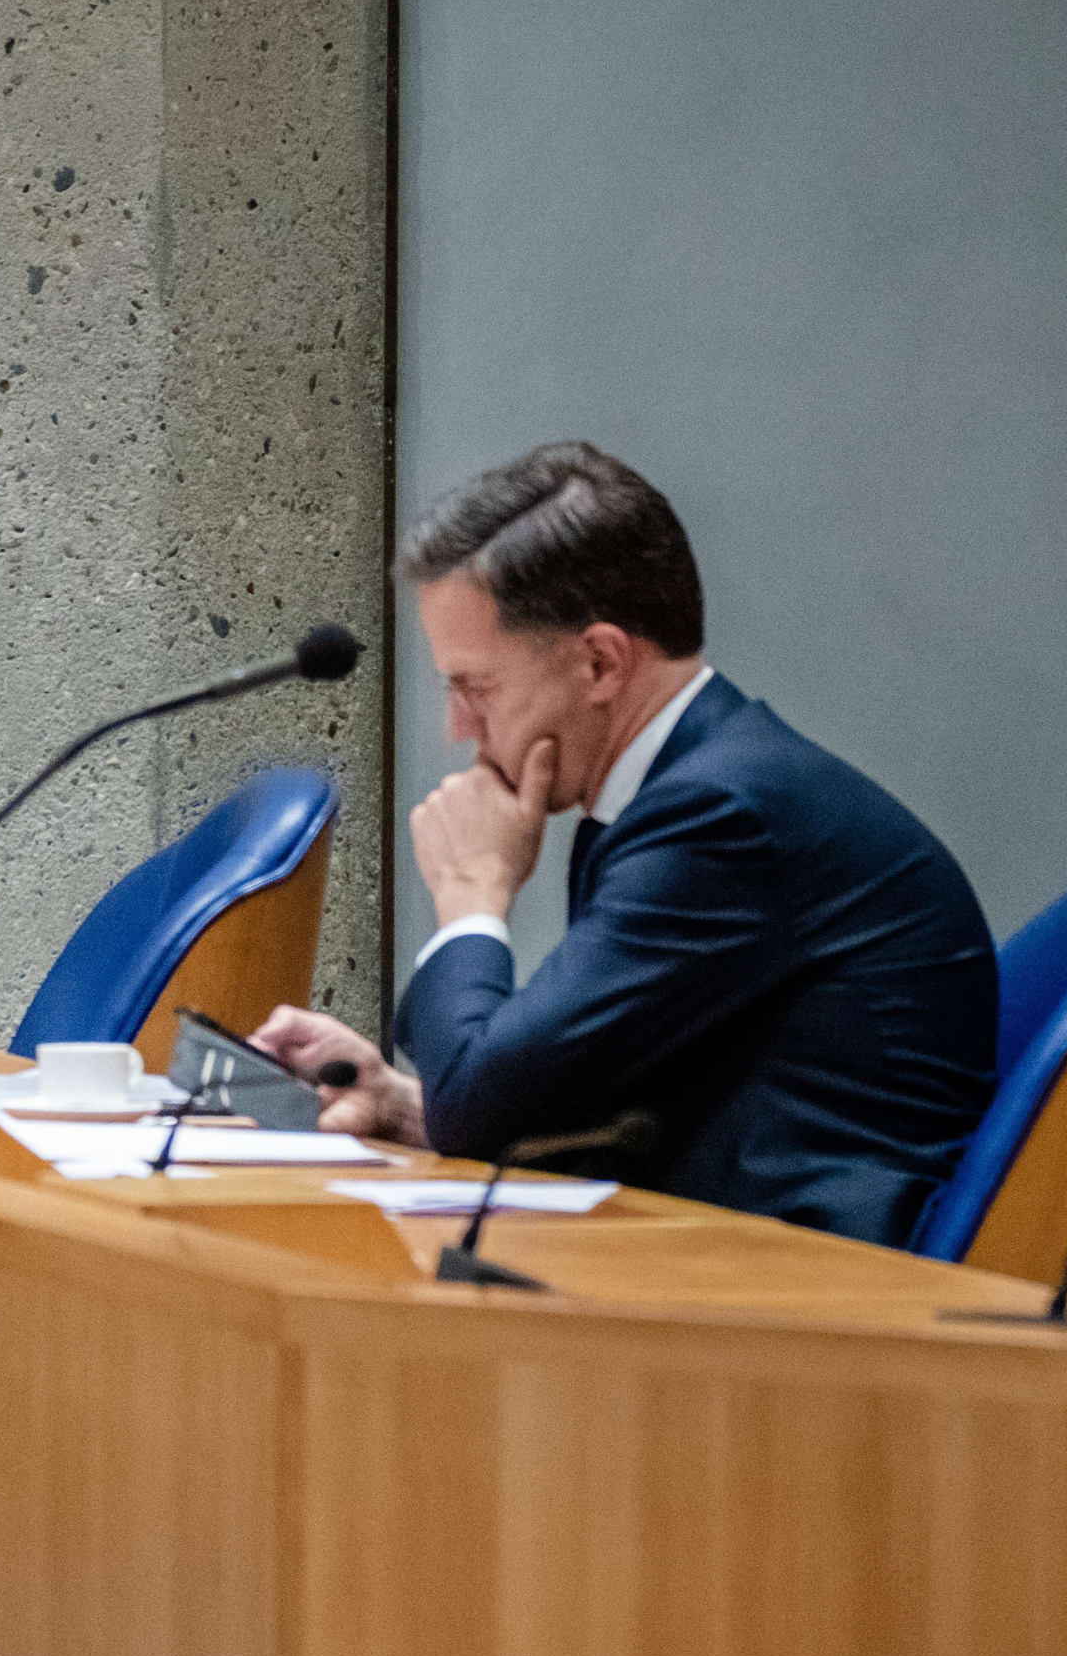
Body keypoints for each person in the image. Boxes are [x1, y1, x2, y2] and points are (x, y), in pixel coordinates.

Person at [252, 443, 996, 1244]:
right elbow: (560, 1094)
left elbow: (485, 1103)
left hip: (820, 1290)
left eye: (476, 688)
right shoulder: (687, 792)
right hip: (725, 1246)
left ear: (600, 662)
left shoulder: (722, 815)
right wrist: (403, 1105)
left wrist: (471, 898)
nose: (457, 730)